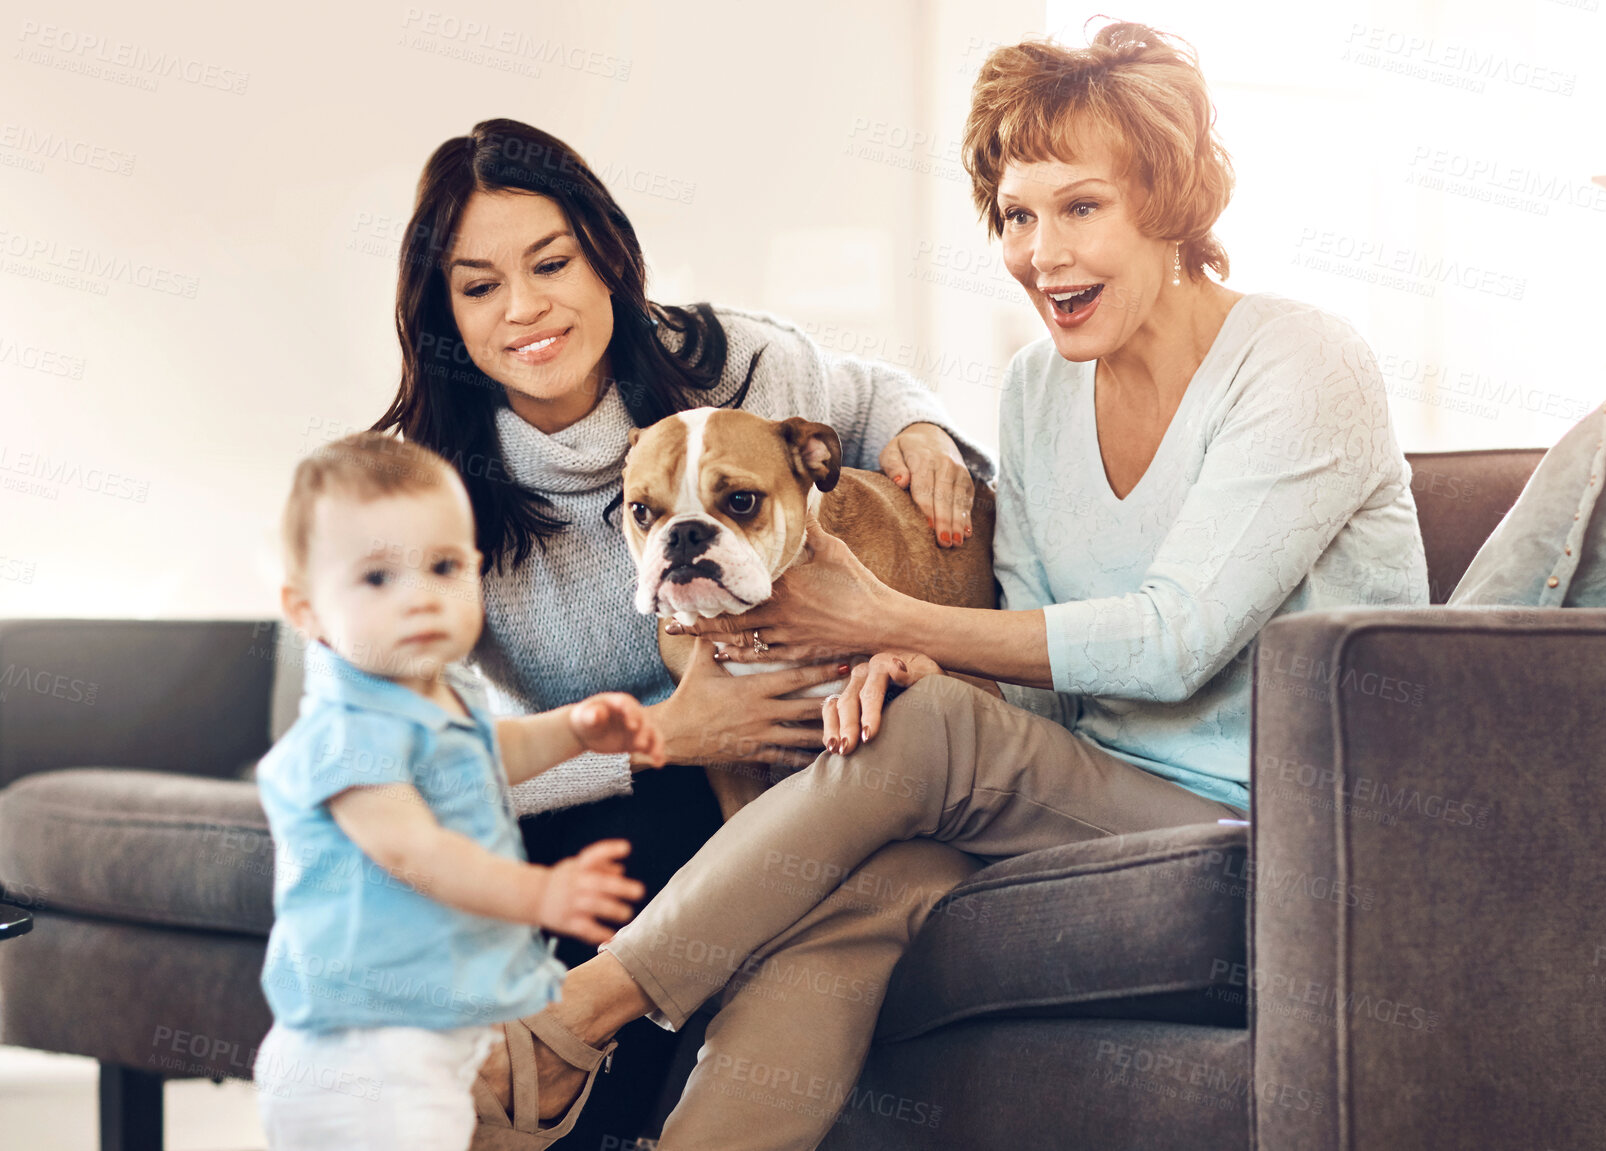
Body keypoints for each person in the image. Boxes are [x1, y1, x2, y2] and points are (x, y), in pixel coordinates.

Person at [468, 22, 1431, 1151]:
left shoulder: (1302, 362)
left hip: (1278, 813)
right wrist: (917, 664)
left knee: (923, 729)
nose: (1040, 252)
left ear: (1171, 201)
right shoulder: (1036, 389)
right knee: (859, 887)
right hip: (1083, 785)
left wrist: (890, 624)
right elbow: (1026, 665)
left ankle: (581, 1011)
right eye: (1018, 215)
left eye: (1082, 207)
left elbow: (1179, 639)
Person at [370, 118, 994, 1147]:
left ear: (608, 258)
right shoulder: (421, 483)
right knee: (607, 842)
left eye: (552, 262)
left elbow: (872, 395)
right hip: (614, 777)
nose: (524, 307)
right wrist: (666, 735)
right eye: (479, 286)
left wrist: (922, 430)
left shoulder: (734, 364)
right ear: (444, 313)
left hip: (775, 780)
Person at [252, 432, 666, 1150]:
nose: (420, 597)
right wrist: (537, 894)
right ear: (307, 610)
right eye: (378, 578)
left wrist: (574, 728)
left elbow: (484, 756)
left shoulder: (447, 693)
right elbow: (416, 850)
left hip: (430, 1033)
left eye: (443, 567)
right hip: (359, 1051)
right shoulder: (347, 730)